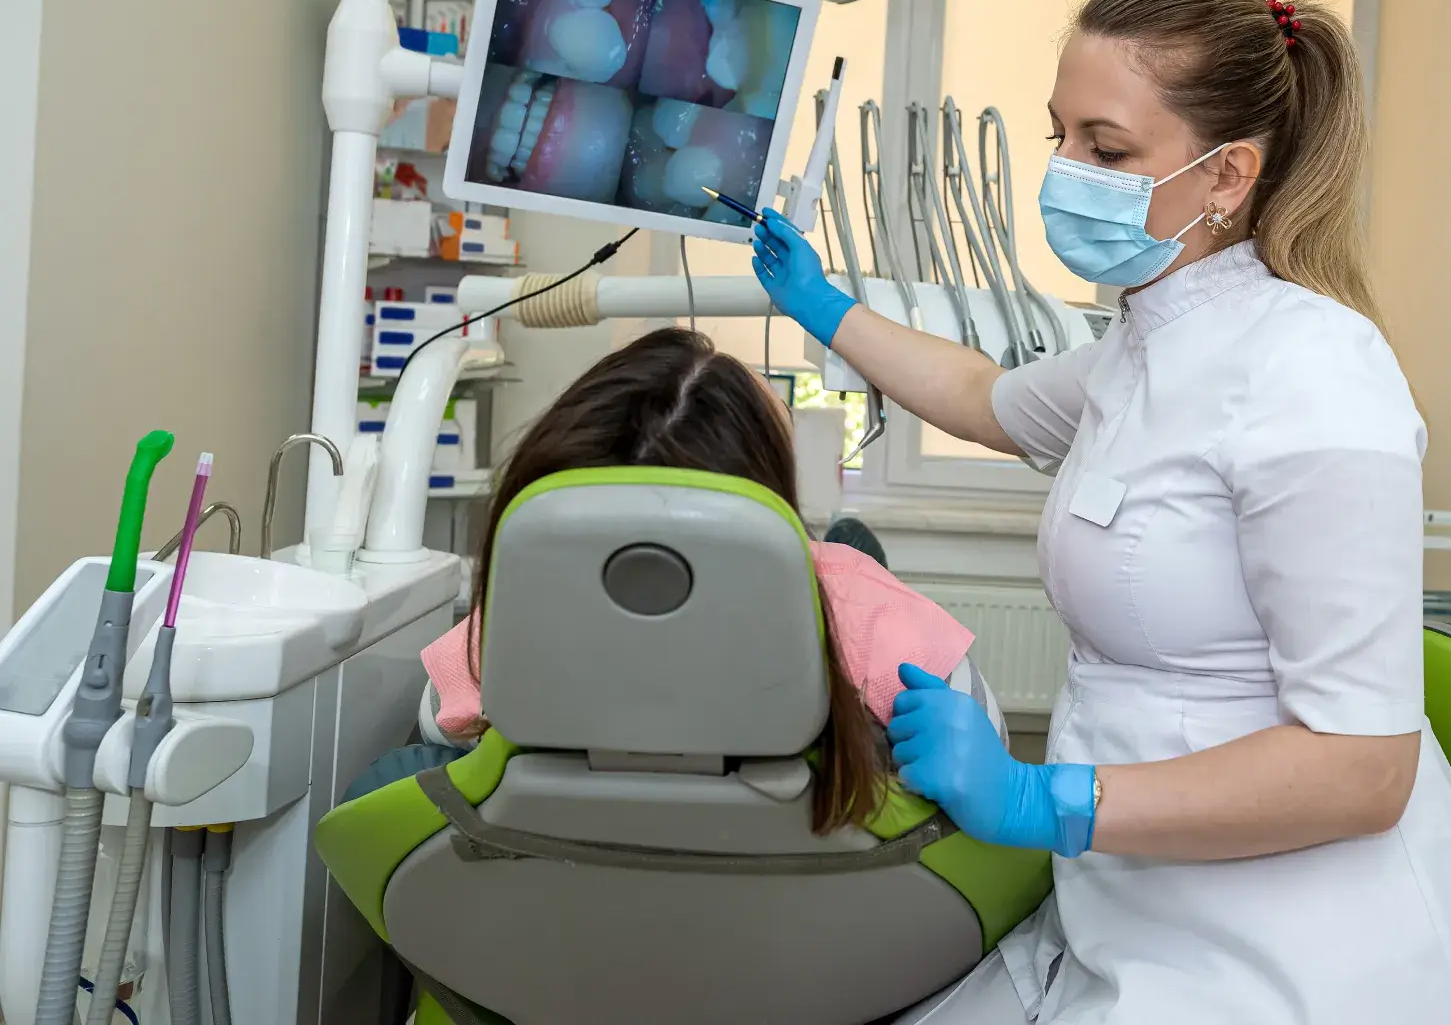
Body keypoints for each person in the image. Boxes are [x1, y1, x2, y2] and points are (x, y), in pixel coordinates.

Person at [752, 0, 1451, 1022]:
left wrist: (1038, 798)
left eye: (1107, 148)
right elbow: (984, 399)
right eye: (1060, 139)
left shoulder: (1313, 372)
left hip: (1289, 938)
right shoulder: (1144, 341)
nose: (1066, 174)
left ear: (1226, 176)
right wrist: (821, 306)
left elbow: (1362, 771)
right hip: (1130, 891)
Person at [403, 326, 1008, 834]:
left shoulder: (523, 609)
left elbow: (437, 719)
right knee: (850, 545)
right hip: (801, 914)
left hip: (584, 893)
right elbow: (984, 740)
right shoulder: (861, 604)